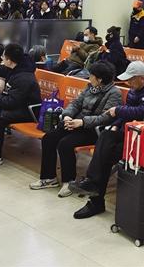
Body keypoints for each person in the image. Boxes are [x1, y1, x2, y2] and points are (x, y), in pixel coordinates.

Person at [69, 61, 144, 219]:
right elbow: (126, 113)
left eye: (131, 79)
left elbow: (143, 111)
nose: (128, 83)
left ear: (143, 78)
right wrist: (116, 125)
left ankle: (95, 199)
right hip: (132, 133)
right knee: (106, 136)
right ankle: (92, 185)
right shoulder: (134, 90)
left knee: (106, 154)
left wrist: (118, 110)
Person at [30, 61, 122, 196]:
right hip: (76, 123)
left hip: (93, 130)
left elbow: (105, 118)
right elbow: (76, 104)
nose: (89, 78)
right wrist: (67, 115)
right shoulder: (90, 87)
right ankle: (49, 178)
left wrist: (82, 122)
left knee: (65, 144)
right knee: (48, 138)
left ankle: (69, 182)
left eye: (91, 75)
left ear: (100, 79)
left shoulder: (114, 93)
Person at [0, 43, 42, 170]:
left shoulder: (23, 78)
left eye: (3, 57)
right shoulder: (17, 67)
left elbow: (11, 102)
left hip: (28, 111)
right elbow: (3, 70)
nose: (2, 59)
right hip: (19, 105)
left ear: (9, 60)